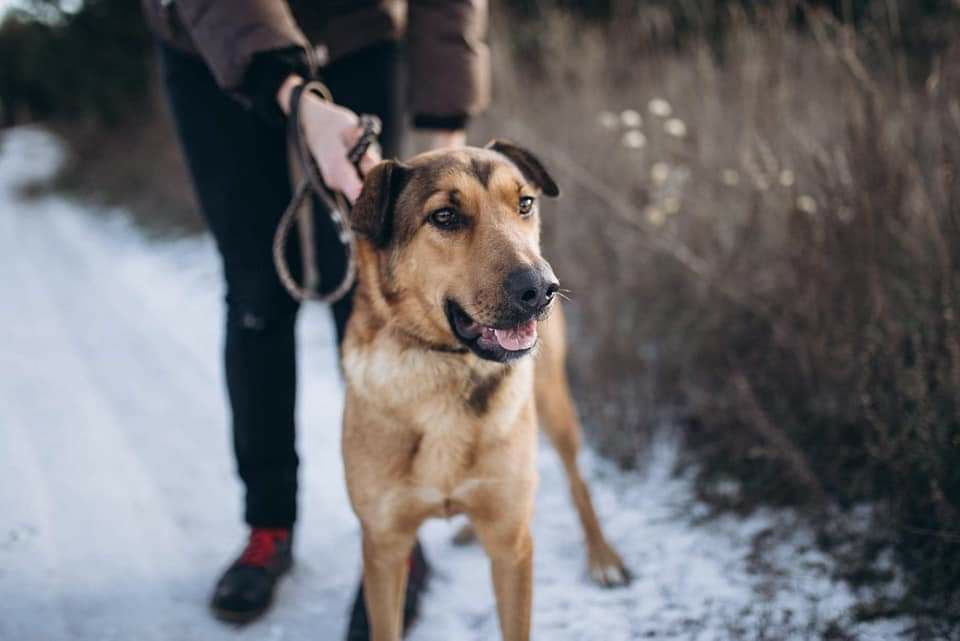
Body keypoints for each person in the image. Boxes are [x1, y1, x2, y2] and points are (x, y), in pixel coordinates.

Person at [139, 0, 490, 637]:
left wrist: (445, 124)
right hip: (213, 44)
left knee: (376, 291)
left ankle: (397, 535)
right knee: (255, 294)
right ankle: (268, 525)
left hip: (355, 32)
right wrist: (295, 94)